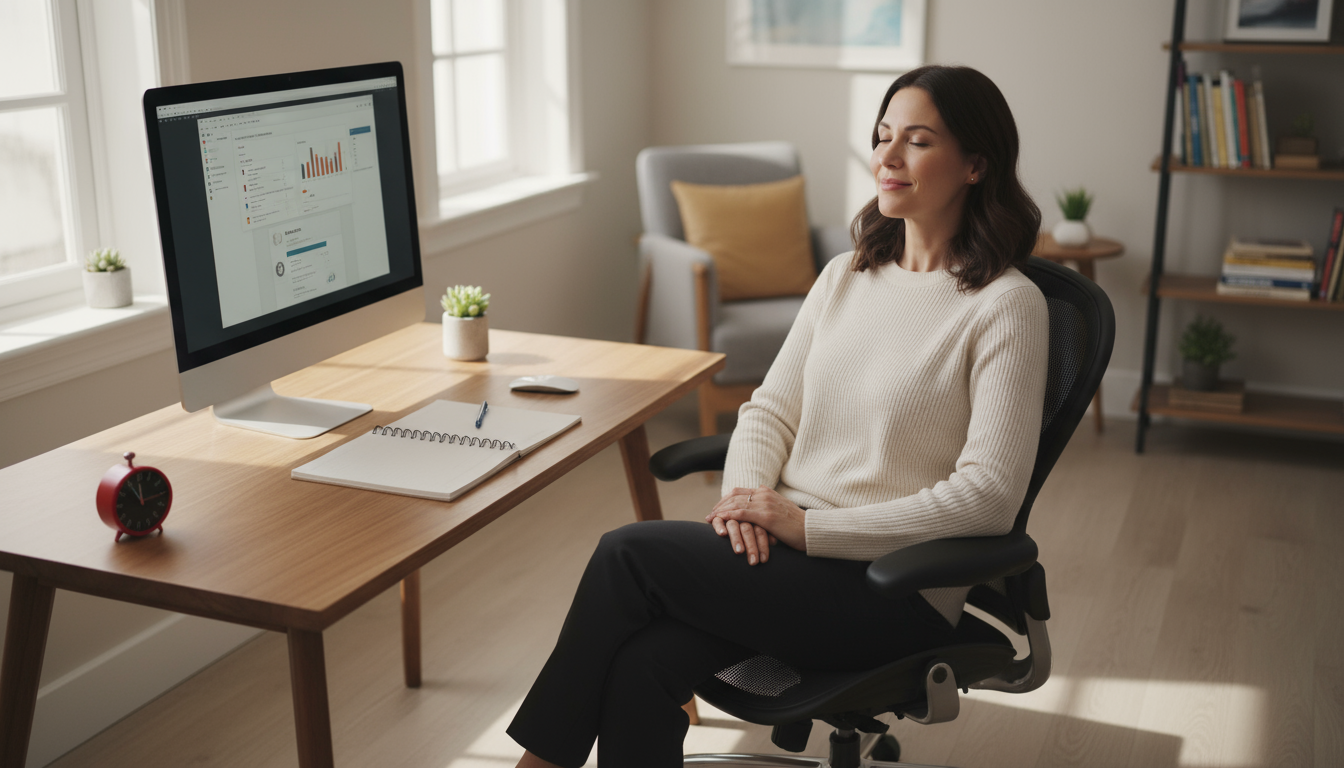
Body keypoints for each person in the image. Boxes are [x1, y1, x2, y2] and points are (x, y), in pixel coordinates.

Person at [507, 64, 1049, 768]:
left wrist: (807, 526)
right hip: (788, 566)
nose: (885, 157)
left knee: (627, 551)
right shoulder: (846, 274)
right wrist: (743, 502)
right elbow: (768, 410)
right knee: (642, 663)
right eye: (883, 136)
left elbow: (988, 498)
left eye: (916, 141)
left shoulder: (1006, 306)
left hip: (891, 590)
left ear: (976, 164)